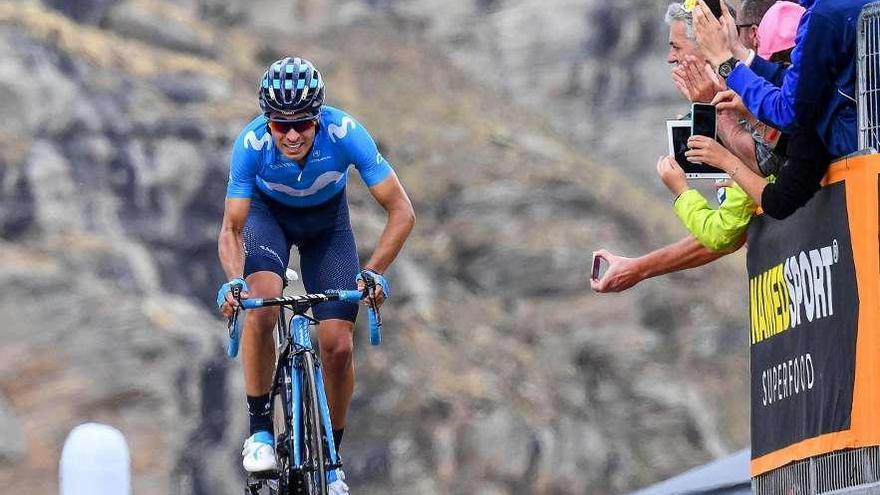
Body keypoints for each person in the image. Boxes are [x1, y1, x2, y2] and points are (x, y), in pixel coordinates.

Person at [216, 57, 416, 492]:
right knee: (263, 304)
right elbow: (232, 228)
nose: (290, 135)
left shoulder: (346, 133)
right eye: (279, 125)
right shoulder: (250, 144)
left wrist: (374, 271)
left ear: (319, 117)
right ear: (267, 123)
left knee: (338, 344)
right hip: (268, 221)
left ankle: (331, 459)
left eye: (302, 124)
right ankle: (260, 432)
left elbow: (402, 212)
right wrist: (234, 281)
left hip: (328, 227)